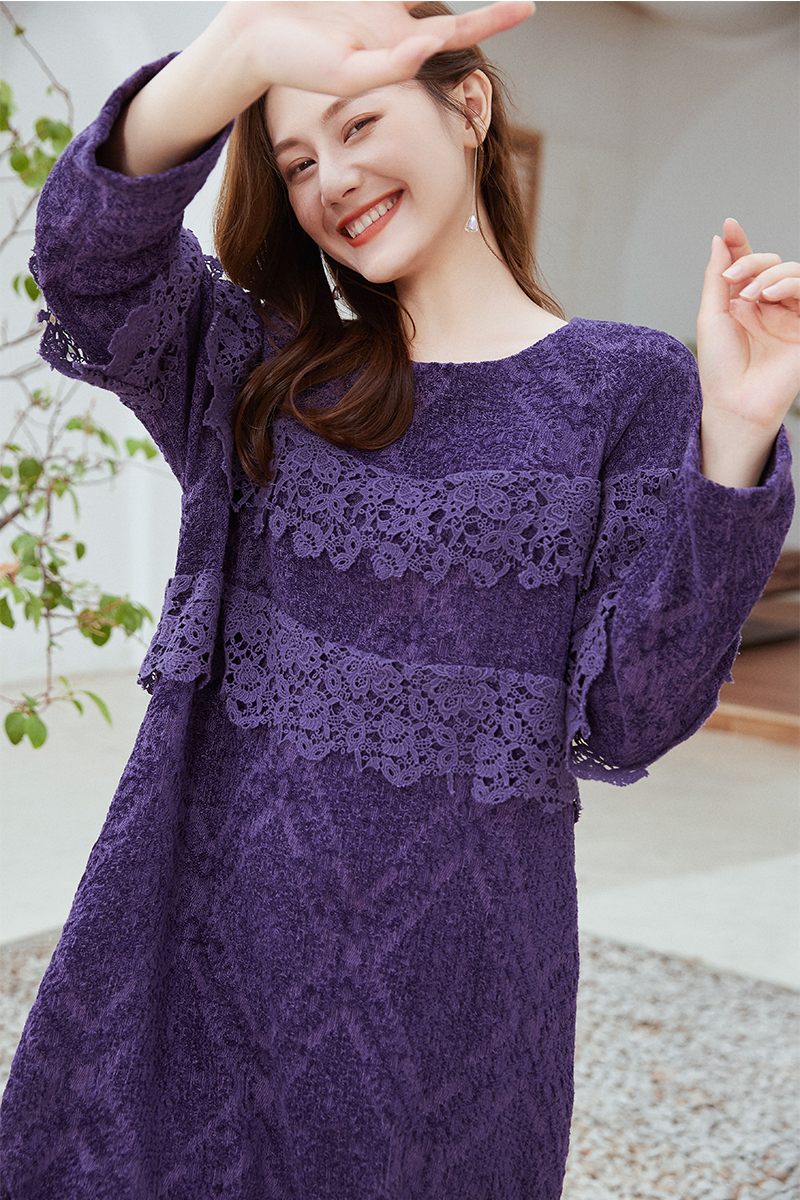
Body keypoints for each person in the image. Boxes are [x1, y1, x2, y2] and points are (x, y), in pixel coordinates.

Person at [0, 2, 796, 1196]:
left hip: (455, 1001)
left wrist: (732, 436)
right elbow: (86, 262)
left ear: (467, 106)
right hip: (203, 954)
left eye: (359, 124)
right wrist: (241, 48)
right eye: (296, 162)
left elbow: (630, 715)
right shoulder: (264, 369)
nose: (331, 179)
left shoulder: (624, 388)